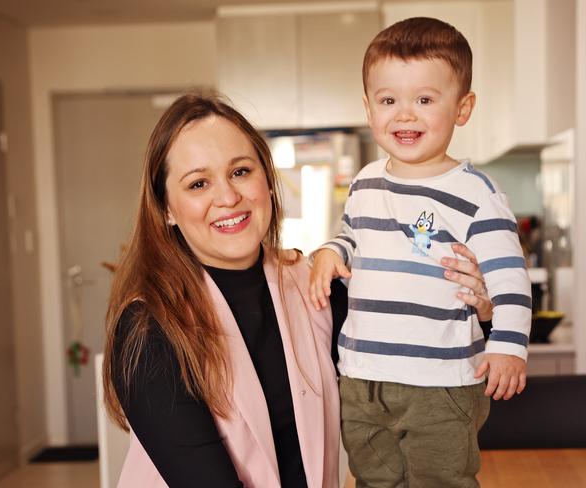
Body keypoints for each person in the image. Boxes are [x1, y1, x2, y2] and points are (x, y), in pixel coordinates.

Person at [102, 92, 494, 488]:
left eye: (240, 171)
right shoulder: (149, 329)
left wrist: (479, 311)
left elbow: (428, 377)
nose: (227, 197)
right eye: (198, 183)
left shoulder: (313, 287)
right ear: (166, 208)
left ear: (267, 182)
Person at [309, 17, 532, 488]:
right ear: (368, 107)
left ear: (463, 108)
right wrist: (330, 250)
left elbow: (508, 276)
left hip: (442, 379)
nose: (404, 115)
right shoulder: (366, 181)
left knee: (441, 480)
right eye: (389, 100)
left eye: (425, 100)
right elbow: (351, 235)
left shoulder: (476, 193)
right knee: (373, 478)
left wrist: (509, 344)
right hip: (361, 375)